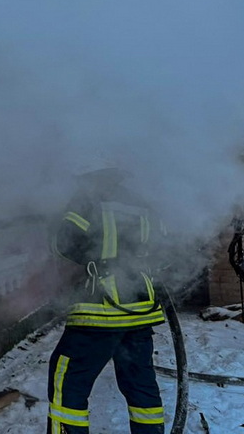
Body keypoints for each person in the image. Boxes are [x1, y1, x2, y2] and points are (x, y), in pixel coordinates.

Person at [46, 166, 166, 434]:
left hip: (100, 307)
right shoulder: (139, 203)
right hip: (140, 308)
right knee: (140, 385)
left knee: (67, 379)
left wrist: (93, 258)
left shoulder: (87, 199)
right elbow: (163, 247)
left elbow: (63, 243)